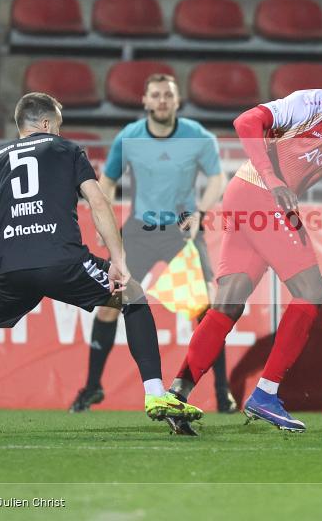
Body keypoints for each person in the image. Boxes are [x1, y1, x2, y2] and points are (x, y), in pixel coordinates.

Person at [0, 93, 201, 436]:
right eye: (60, 123)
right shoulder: (65, 149)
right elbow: (98, 202)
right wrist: (119, 261)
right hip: (61, 260)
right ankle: (156, 395)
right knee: (134, 296)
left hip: (9, 270)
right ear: (48, 124)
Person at [164, 63, 322, 434]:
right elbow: (246, 122)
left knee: (228, 303)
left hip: (251, 197)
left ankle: (177, 393)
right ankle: (266, 394)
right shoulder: (309, 104)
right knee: (312, 291)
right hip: (258, 194)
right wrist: (275, 180)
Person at [68, 73, 237, 419]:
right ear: (145, 101)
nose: (162, 100)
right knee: (109, 305)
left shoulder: (198, 136)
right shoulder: (129, 138)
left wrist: (201, 212)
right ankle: (92, 387)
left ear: (177, 101)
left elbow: (217, 178)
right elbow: (108, 181)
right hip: (138, 229)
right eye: (156, 95)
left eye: (168, 95)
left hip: (182, 230)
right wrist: (104, 221)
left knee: (206, 310)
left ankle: (222, 391)